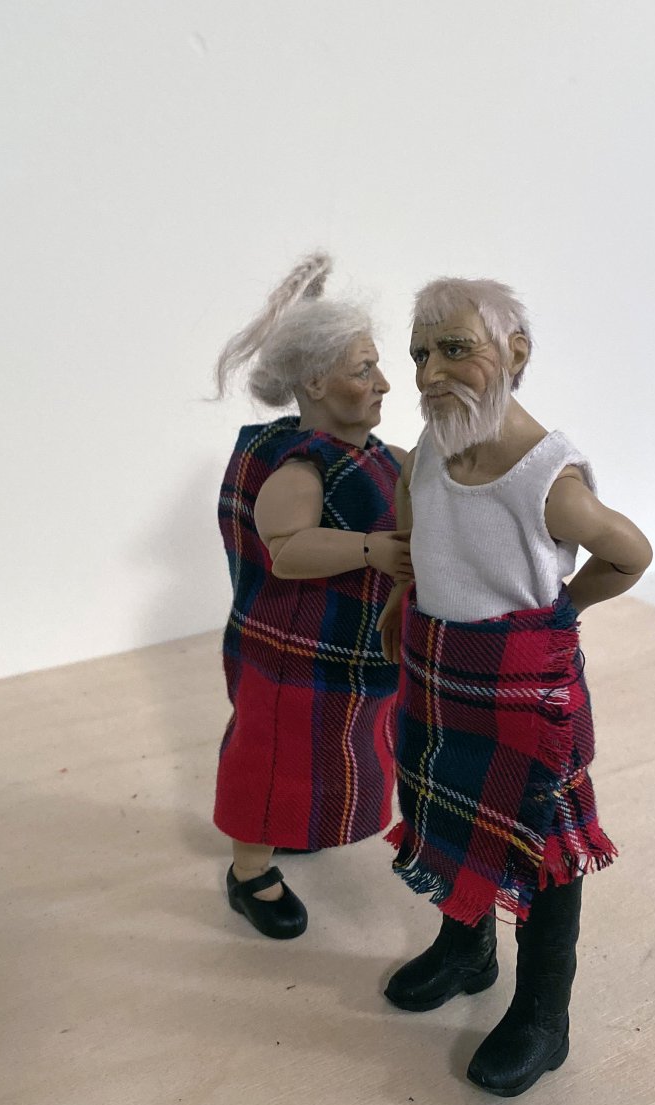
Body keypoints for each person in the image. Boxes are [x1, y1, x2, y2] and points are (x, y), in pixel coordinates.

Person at [377, 277, 652, 1096]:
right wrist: (399, 591)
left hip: (521, 693)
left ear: (515, 352)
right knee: (442, 812)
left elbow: (630, 553)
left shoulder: (546, 479)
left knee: (543, 848)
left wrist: (563, 611)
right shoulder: (435, 444)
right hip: (438, 674)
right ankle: (467, 952)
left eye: (454, 348)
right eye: (420, 353)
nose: (430, 372)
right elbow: (412, 511)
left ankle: (543, 1015)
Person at [213, 252, 411, 940]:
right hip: (292, 656)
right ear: (316, 382)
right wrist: (372, 550)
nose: (383, 383)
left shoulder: (381, 457)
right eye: (364, 369)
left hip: (354, 652)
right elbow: (287, 548)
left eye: (378, 366)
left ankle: (297, 827)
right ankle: (248, 871)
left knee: (336, 753)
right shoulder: (301, 468)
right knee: (270, 761)